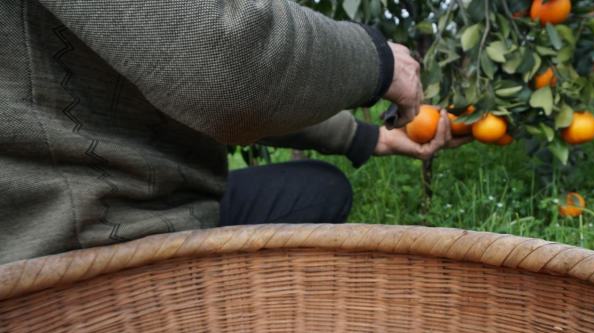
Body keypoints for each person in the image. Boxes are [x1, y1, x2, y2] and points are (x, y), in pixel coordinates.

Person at [0, 0, 469, 265]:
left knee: (319, 189)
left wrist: (367, 138)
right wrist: (379, 61)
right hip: (81, 231)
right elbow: (227, 63)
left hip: (112, 190)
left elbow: (187, 82)